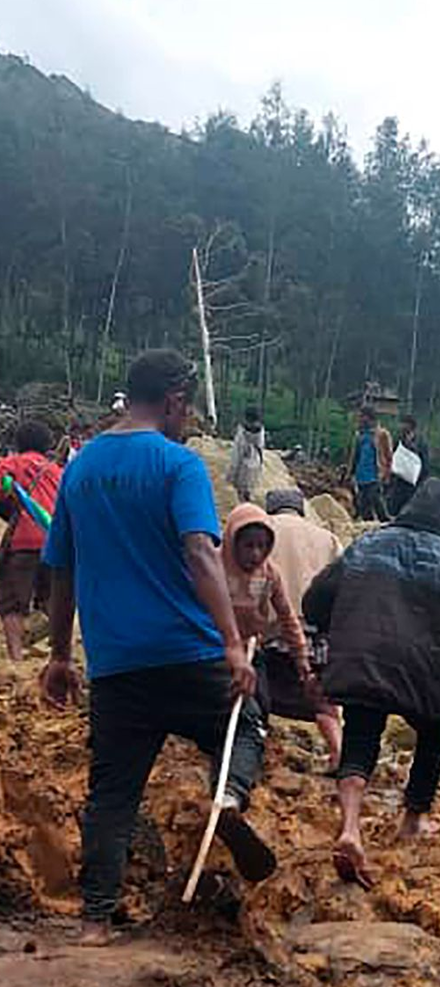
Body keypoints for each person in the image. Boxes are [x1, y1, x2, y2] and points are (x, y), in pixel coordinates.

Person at [40, 349, 274, 947]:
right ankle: (228, 798)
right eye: (187, 408)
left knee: (112, 794)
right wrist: (232, 643)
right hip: (187, 652)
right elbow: (201, 553)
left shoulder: (80, 470)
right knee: (245, 722)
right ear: (173, 400)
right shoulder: (178, 465)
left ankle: (95, 922)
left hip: (117, 663)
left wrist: (60, 656)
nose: (187, 418)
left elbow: (62, 569)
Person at [303, 479, 440, 887]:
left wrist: (331, 637)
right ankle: (413, 819)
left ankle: (351, 827)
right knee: (433, 738)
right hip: (423, 673)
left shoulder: (368, 543)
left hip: (363, 660)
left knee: (360, 738)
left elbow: (315, 599)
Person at [263, 489, 343, 765]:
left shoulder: (262, 529)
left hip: (272, 630)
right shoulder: (327, 538)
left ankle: (257, 750)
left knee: (258, 693)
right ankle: (339, 754)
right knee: (324, 703)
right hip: (315, 634)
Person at [0, 420, 62, 661]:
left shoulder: (10, 464)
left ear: (17, 443)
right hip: (55, 541)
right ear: (48, 445)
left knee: (12, 603)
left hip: (23, 541)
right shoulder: (57, 471)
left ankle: (16, 657)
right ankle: (57, 655)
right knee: (51, 599)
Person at [346, 407, 392, 522]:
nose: (360, 419)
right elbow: (355, 455)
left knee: (375, 499)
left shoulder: (382, 434)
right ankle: (368, 523)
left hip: (375, 474)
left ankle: (385, 521)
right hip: (361, 474)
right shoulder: (360, 435)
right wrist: (350, 473)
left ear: (369, 418)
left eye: (362, 416)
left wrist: (387, 473)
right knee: (363, 503)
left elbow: (388, 456)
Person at [388, 414, 431, 515]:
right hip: (399, 483)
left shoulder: (420, 443)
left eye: (404, 424)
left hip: (414, 485)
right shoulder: (399, 441)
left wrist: (421, 482)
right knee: (395, 510)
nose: (401, 427)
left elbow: (425, 465)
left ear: (411, 426)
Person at [228, 407, 265, 504]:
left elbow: (236, 455)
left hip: (243, 466)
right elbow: (261, 448)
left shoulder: (242, 434)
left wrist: (231, 476)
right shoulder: (260, 432)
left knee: (241, 494)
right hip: (255, 463)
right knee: (249, 492)